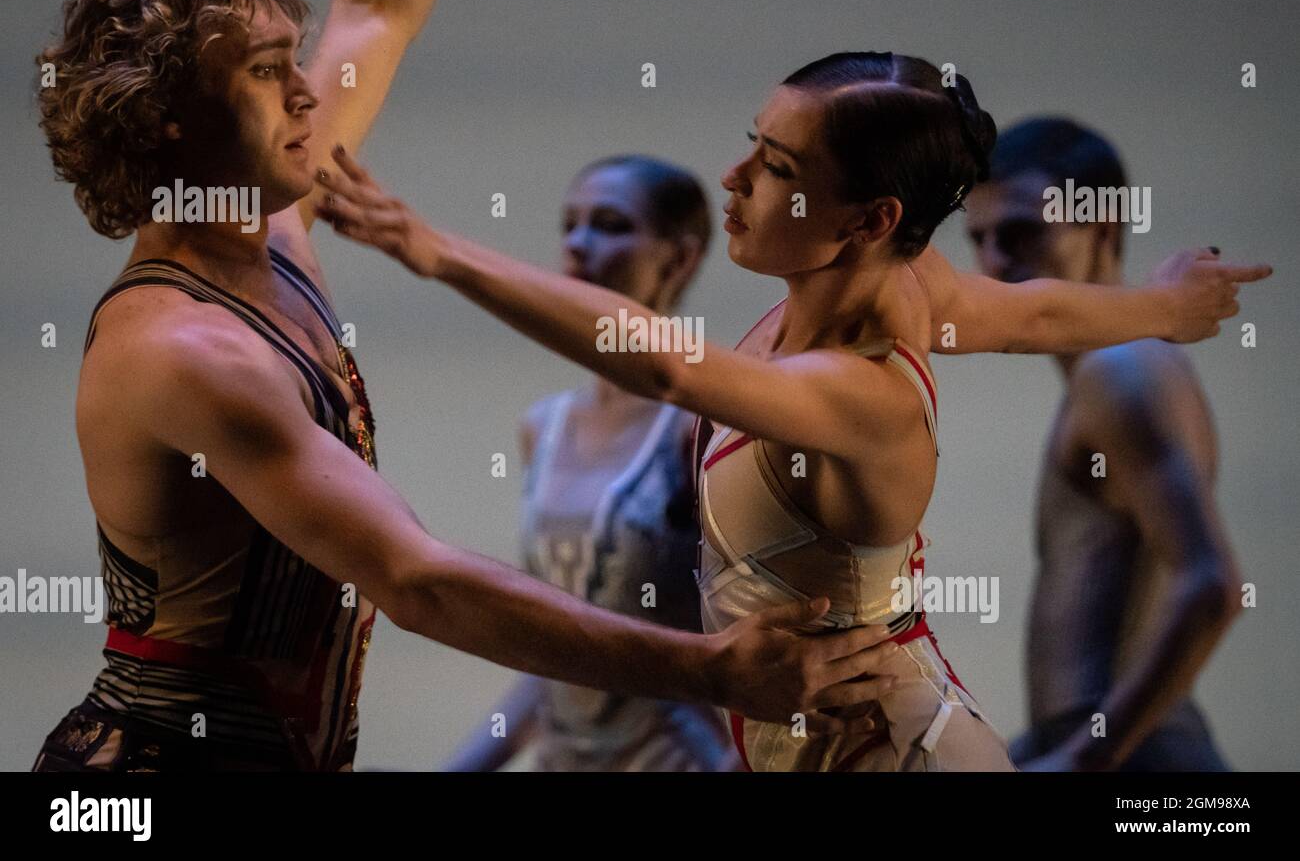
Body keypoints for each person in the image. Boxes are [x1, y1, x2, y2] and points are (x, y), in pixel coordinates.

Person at [32, 0, 897, 773]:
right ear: (170, 117)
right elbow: (415, 581)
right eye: (268, 71)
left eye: (297, 57)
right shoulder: (189, 350)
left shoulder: (265, 229)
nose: (307, 92)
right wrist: (708, 669)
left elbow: (377, 5)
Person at [317, 50, 1270, 771]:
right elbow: (1033, 312)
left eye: (776, 167)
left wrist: (432, 249)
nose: (734, 182)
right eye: (751, 147)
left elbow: (672, 371)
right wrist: (1169, 306)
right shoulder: (918, 284)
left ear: (870, 221)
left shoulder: (862, 389)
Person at [964, 117, 1240, 770]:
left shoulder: (1124, 371)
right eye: (979, 238)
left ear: (1104, 230)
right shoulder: (1111, 374)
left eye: (1023, 232)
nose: (996, 262)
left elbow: (1212, 585)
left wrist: (1082, 760)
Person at [446, 156, 737, 772]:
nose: (578, 244)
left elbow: (740, 636)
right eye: (569, 224)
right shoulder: (543, 426)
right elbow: (557, 655)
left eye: (609, 225)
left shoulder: (700, 427)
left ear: (678, 258)